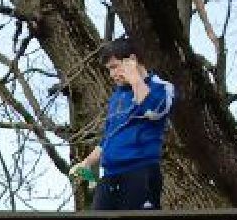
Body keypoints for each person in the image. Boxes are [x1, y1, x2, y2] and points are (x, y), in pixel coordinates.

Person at [71, 37, 172, 211]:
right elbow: (108, 137)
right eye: (108, 69)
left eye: (114, 67)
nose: (111, 74)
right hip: (110, 176)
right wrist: (86, 162)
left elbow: (152, 111)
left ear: (132, 60)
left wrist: (135, 80)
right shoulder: (117, 97)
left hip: (140, 173)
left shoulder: (160, 87)